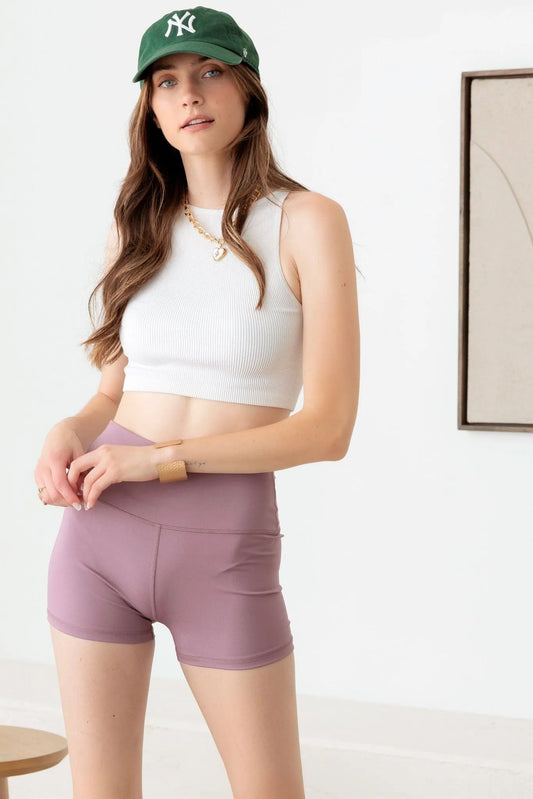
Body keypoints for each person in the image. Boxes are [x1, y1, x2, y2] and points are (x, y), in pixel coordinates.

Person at [34, 6, 360, 798]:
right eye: (166, 81)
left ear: (247, 89)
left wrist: (160, 461)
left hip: (221, 543)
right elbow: (111, 388)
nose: (189, 94)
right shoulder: (136, 224)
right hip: (98, 531)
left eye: (210, 71)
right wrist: (68, 428)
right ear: (150, 107)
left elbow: (327, 430)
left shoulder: (307, 221)